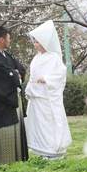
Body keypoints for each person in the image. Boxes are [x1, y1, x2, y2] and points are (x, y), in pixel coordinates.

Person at [25, 20, 72, 160]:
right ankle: (43, 149)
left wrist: (47, 78)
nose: (35, 45)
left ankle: (53, 149)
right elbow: (32, 76)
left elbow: (60, 74)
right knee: (39, 124)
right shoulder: (36, 59)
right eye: (34, 42)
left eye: (38, 42)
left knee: (49, 123)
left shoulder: (54, 58)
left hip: (48, 98)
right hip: (37, 97)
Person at [0, 25, 28, 165]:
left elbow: (20, 69)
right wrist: (14, 75)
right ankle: (5, 161)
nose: (10, 40)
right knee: (5, 129)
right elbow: (10, 76)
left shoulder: (6, 55)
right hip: (2, 99)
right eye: (8, 38)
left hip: (12, 97)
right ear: (2, 39)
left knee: (17, 128)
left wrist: (16, 75)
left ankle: (18, 158)